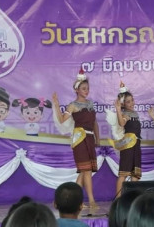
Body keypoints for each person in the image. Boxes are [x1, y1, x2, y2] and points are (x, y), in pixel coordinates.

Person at [52, 67, 100, 208]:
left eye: (87, 88)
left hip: (90, 139)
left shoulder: (90, 104)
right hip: (79, 139)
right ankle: (91, 201)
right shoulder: (72, 105)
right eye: (83, 88)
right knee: (86, 170)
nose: (86, 91)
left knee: (85, 171)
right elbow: (61, 120)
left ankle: (73, 201)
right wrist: (56, 104)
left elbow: (95, 122)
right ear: (77, 90)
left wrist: (98, 138)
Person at [109, 81, 142, 198]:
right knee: (123, 173)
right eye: (128, 101)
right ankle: (118, 200)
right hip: (128, 146)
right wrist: (118, 110)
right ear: (123, 104)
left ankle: (133, 199)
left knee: (135, 174)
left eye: (132, 100)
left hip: (136, 145)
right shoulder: (125, 114)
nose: (131, 103)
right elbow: (121, 123)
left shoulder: (135, 113)